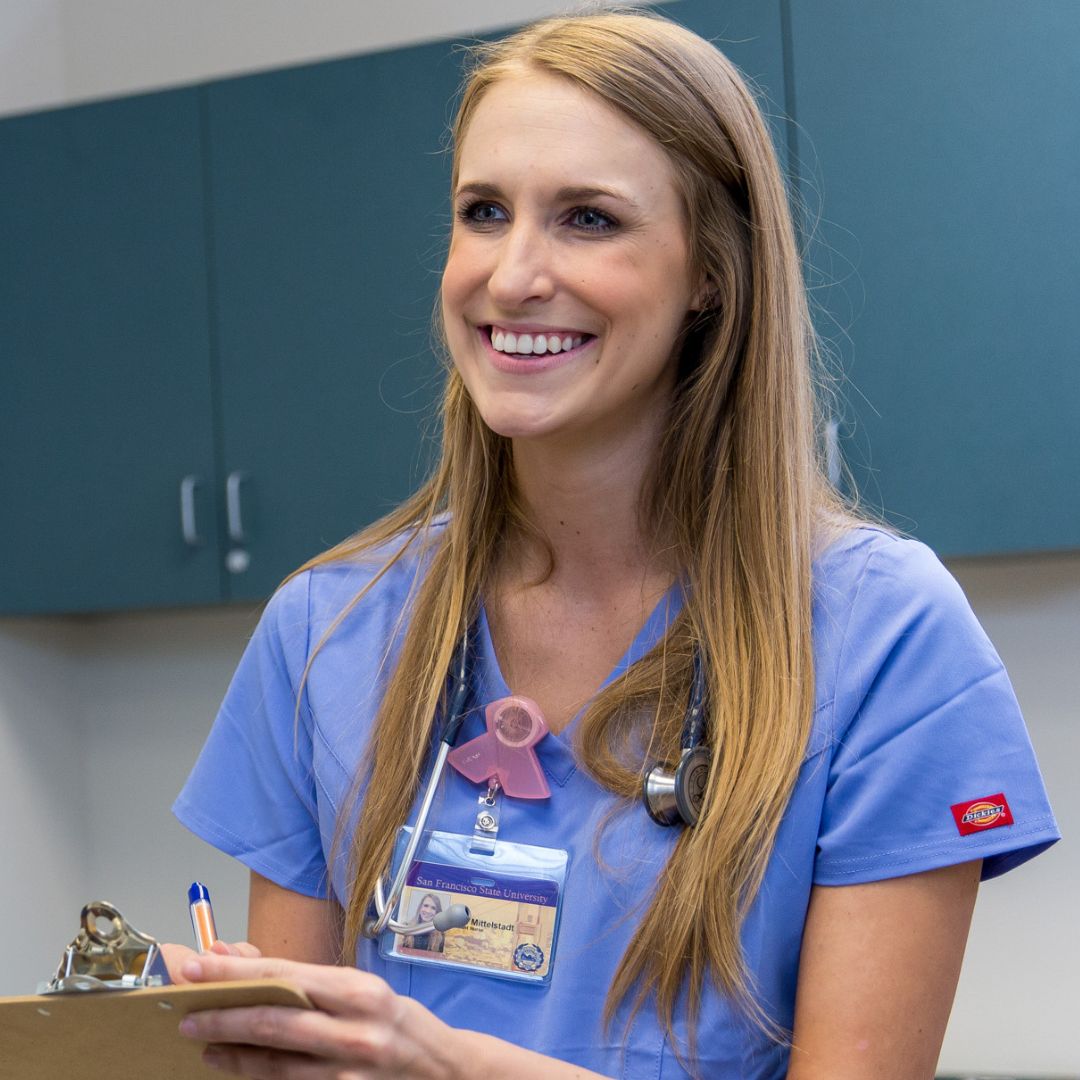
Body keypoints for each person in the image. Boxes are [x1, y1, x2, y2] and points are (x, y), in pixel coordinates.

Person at [168, 11, 1059, 1079]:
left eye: (588, 219)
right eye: (483, 212)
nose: (512, 276)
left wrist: (451, 1064)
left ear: (711, 276)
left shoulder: (886, 643)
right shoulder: (329, 632)